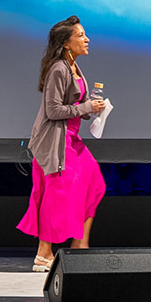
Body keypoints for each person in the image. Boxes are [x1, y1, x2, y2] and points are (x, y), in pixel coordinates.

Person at [16, 15, 106, 272]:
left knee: (94, 185)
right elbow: (53, 110)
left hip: (72, 139)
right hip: (56, 142)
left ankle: (80, 248)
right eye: (80, 35)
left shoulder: (74, 67)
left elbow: (74, 105)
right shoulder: (58, 68)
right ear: (66, 43)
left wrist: (93, 108)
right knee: (56, 197)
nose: (86, 39)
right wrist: (87, 106)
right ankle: (44, 253)